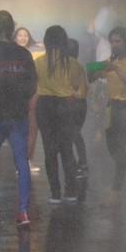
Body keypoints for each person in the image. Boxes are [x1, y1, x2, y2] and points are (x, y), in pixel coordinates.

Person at [0, 10, 36, 227]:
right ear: (12, 29)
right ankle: (23, 212)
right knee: (22, 162)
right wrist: (19, 100)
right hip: (17, 116)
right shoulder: (24, 55)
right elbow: (32, 85)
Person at [31, 25, 85, 204]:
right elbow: (77, 86)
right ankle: (70, 191)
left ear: (46, 41)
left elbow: (34, 84)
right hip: (65, 106)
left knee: (49, 150)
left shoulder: (38, 62)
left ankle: (55, 192)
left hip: (45, 105)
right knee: (67, 149)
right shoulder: (73, 63)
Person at [90, 26, 126, 200]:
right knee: (113, 148)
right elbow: (92, 73)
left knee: (120, 148)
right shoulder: (111, 61)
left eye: (118, 41)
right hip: (112, 108)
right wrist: (95, 68)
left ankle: (116, 191)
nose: (114, 44)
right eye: (112, 41)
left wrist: (115, 68)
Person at [66, 38, 89, 179]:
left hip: (72, 102)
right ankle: (82, 162)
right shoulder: (79, 65)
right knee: (76, 133)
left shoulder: (67, 66)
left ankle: (78, 164)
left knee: (71, 133)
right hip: (81, 103)